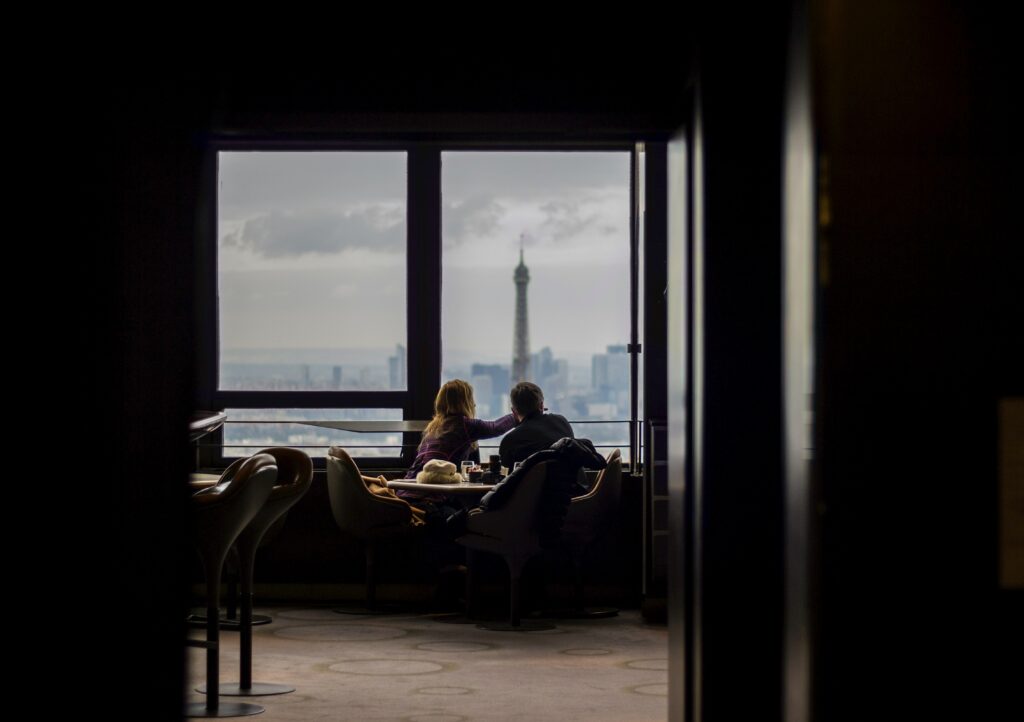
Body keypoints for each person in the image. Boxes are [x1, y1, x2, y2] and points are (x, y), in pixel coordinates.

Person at [498, 381, 574, 469]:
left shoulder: (510, 441)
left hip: (530, 483)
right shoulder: (562, 422)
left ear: (514, 411)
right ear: (541, 405)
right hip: (570, 482)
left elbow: (508, 474)